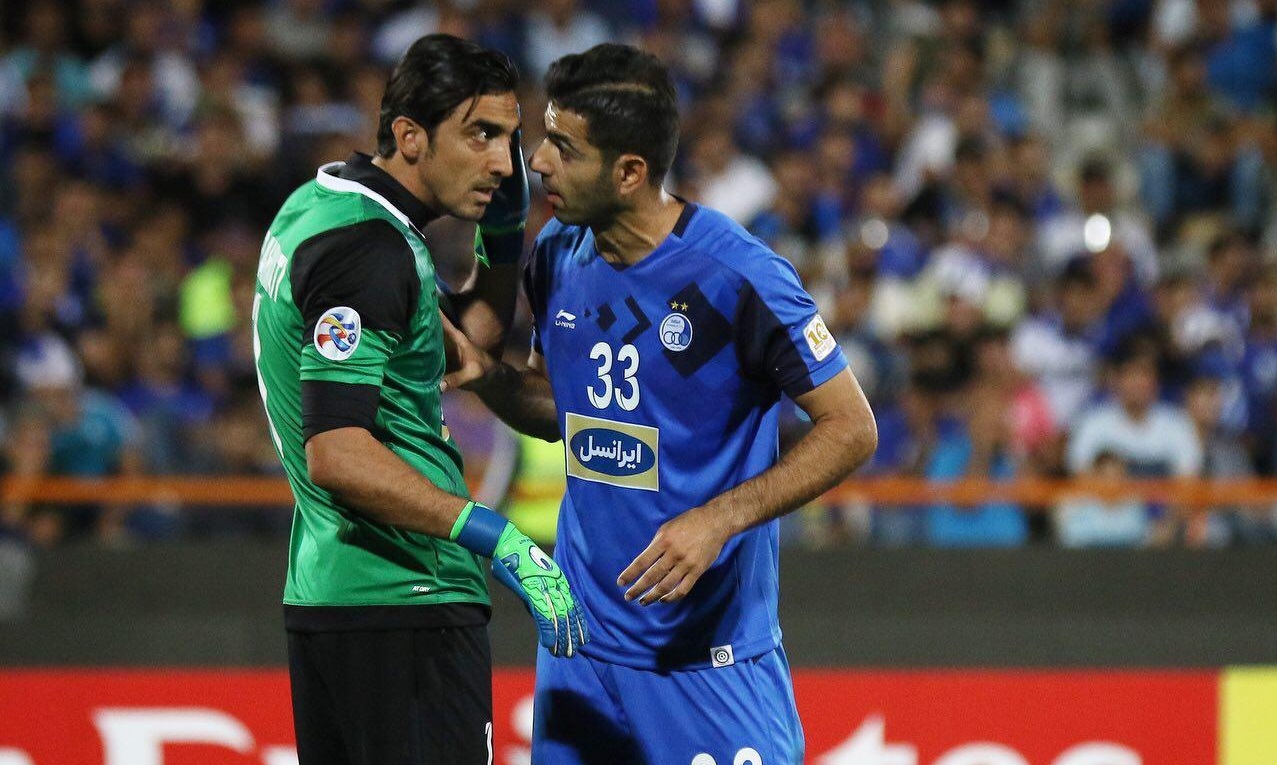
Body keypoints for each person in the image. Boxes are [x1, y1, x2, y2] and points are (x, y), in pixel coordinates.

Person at [446, 44, 877, 764]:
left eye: (564, 148)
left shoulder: (737, 276)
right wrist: (486, 376)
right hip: (580, 653)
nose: (539, 162)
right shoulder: (557, 252)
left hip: (706, 660)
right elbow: (561, 411)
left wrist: (720, 517)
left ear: (629, 172)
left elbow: (852, 427)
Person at [251, 34, 587, 765]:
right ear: (409, 136)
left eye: (508, 139)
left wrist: (502, 233)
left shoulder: (320, 207)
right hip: (408, 604)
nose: (504, 163)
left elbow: (465, 348)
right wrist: (494, 536)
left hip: (335, 598)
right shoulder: (368, 252)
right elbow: (339, 453)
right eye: (479, 135)